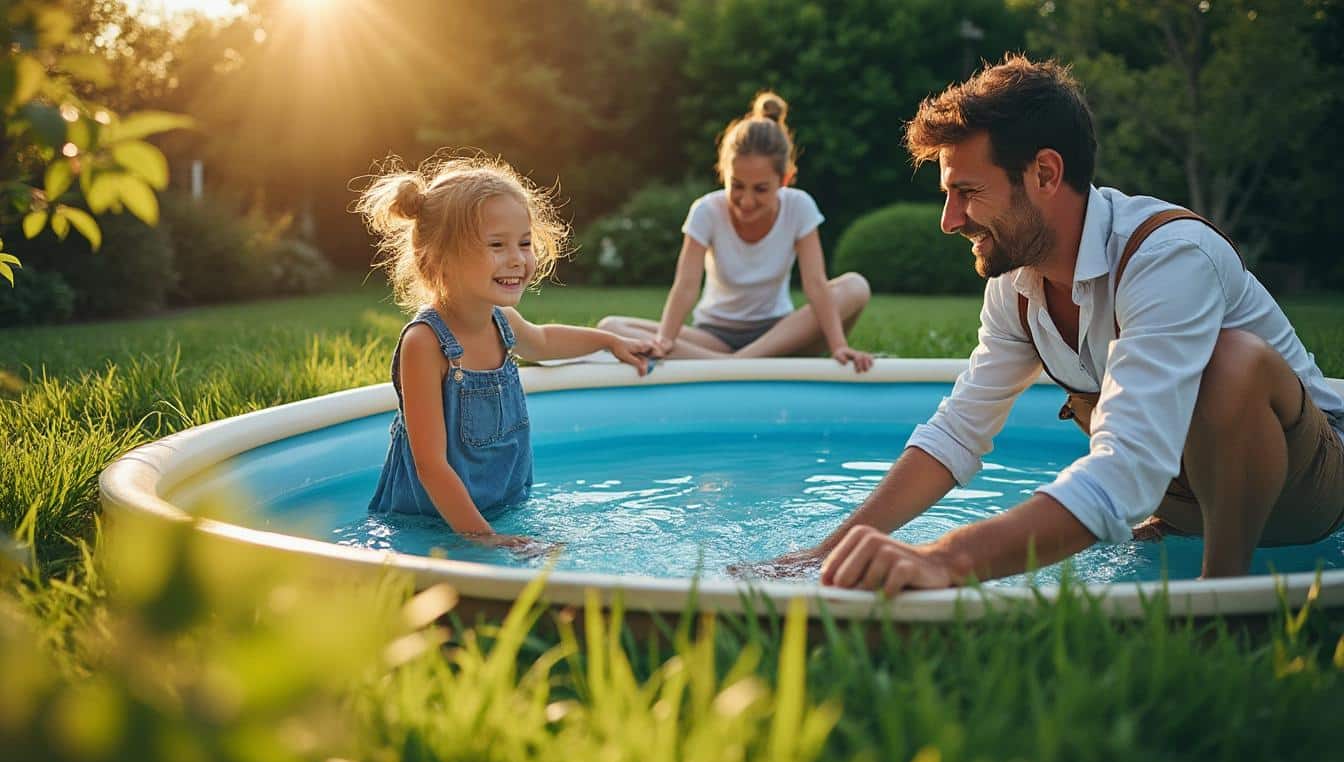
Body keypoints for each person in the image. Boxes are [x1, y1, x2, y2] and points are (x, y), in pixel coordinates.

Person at [746, 55, 1344, 593]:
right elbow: (957, 432)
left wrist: (946, 559)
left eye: (968, 192)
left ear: (1045, 174)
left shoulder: (1168, 256)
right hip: (1188, 501)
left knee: (1231, 362)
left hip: (1308, 490)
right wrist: (824, 555)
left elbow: (1128, 466)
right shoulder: (1017, 282)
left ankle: (1222, 603)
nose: (948, 221)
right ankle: (1196, 545)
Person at [357, 153, 654, 554]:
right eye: (497, 245)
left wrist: (608, 342)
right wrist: (485, 539)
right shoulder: (425, 343)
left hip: (500, 509)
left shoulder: (502, 321)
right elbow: (430, 465)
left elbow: (545, 342)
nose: (517, 258)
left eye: (525, 243)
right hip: (428, 523)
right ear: (438, 259)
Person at [597, 92, 875, 371]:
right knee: (611, 327)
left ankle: (737, 364)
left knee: (856, 286)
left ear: (784, 180)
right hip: (713, 337)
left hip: (778, 334)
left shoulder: (799, 206)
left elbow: (815, 284)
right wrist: (665, 340)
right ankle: (735, 363)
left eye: (761, 189)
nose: (746, 201)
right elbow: (686, 286)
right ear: (723, 173)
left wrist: (838, 345)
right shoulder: (706, 211)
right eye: (737, 186)